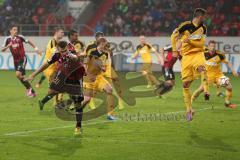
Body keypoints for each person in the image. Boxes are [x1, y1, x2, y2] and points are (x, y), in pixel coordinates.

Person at [25, 41, 85, 135]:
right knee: (52, 90)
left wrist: (73, 56)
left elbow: (77, 58)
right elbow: (46, 64)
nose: (64, 53)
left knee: (78, 102)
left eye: (65, 51)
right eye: (62, 51)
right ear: (58, 49)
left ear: (68, 48)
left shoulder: (72, 51)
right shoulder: (56, 54)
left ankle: (78, 126)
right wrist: (33, 75)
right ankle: (44, 101)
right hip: (63, 73)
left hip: (75, 77)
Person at [170, 8, 209, 121]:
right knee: (185, 84)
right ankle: (189, 110)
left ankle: (206, 91)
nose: (205, 19)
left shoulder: (203, 28)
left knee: (202, 68)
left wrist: (190, 41)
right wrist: (174, 50)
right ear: (199, 17)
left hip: (198, 54)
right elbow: (173, 36)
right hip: (186, 57)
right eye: (204, 17)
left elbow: (201, 44)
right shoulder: (185, 25)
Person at [191, 40, 239, 108]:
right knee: (200, 90)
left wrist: (233, 71)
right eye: (211, 46)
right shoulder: (204, 54)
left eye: (214, 46)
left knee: (229, 87)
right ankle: (191, 99)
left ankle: (227, 103)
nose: (212, 48)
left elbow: (228, 62)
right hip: (208, 76)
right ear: (209, 46)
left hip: (218, 76)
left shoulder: (220, 54)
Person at [1, 25, 42, 97]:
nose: (16, 31)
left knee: (18, 74)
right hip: (15, 61)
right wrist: (8, 45)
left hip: (23, 59)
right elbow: (2, 50)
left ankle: (29, 88)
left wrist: (36, 49)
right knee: (21, 77)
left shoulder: (20, 37)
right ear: (10, 31)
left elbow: (29, 42)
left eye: (16, 30)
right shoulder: (7, 39)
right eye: (14, 29)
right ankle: (32, 92)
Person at [82, 37, 116, 120]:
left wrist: (103, 68)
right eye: (105, 44)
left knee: (109, 90)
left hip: (99, 77)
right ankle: (79, 110)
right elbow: (85, 62)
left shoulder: (106, 54)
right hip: (89, 78)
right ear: (101, 44)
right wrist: (86, 72)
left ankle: (110, 115)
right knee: (87, 100)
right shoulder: (91, 52)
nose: (106, 45)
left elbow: (103, 65)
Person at [35, 27, 64, 105]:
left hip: (55, 68)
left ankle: (44, 102)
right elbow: (54, 52)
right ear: (56, 32)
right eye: (61, 32)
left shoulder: (57, 42)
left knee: (56, 87)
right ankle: (56, 103)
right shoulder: (52, 42)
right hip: (49, 68)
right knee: (57, 86)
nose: (63, 34)